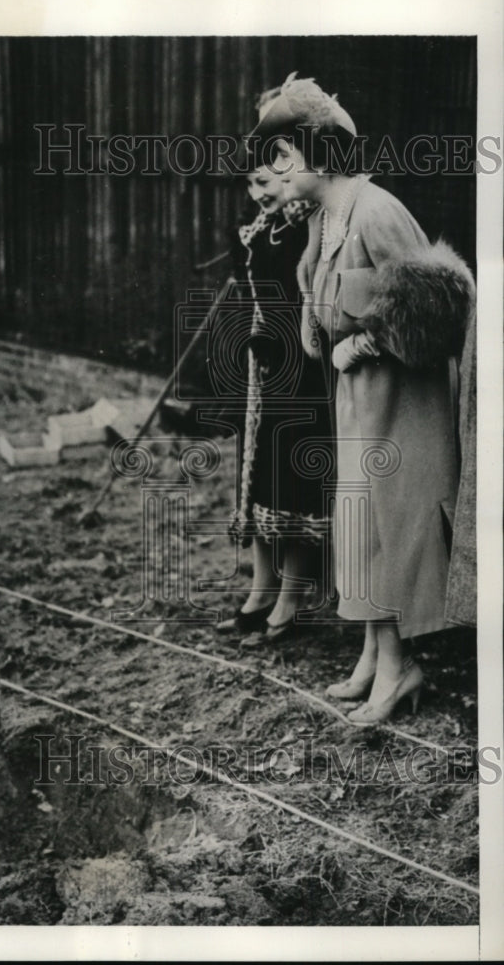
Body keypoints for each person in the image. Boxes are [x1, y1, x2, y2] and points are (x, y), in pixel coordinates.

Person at [250, 74, 474, 723]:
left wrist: (366, 345)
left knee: (387, 527)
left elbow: (436, 305)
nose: (275, 171)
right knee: (360, 530)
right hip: (361, 404)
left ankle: (401, 668)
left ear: (318, 151)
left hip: (401, 405)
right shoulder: (326, 217)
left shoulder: (377, 210)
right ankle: (377, 655)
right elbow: (327, 309)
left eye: (284, 156)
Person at [218, 87, 333, 647]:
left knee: (292, 482)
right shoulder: (267, 224)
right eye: (251, 183)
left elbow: (309, 298)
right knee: (259, 477)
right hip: (265, 366)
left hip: (300, 366)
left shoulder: (308, 219)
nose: (258, 193)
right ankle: (261, 589)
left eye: (266, 182)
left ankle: (292, 595)